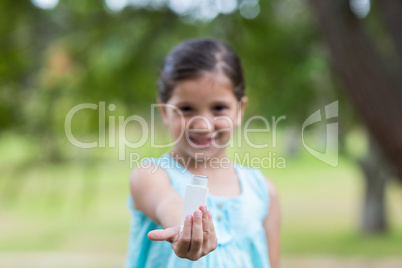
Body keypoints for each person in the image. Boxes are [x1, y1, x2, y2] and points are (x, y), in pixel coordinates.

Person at [125, 39, 281, 268]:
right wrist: (184, 228)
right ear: (165, 112)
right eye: (186, 109)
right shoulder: (150, 176)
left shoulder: (263, 191)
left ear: (240, 110)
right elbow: (167, 203)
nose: (203, 125)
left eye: (219, 108)